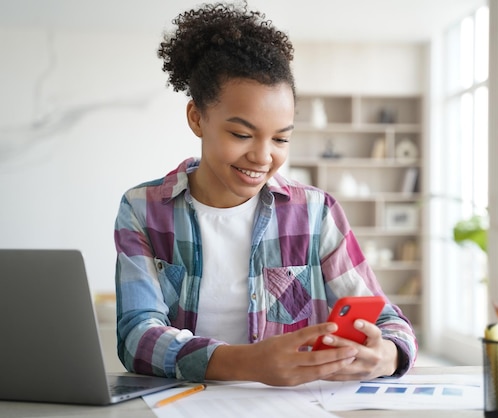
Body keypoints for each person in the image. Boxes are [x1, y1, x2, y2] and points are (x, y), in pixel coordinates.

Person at [114, 2, 417, 386]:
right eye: (241, 134)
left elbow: (391, 323)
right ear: (196, 118)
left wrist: (385, 355)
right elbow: (136, 337)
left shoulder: (316, 211)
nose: (262, 156)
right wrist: (244, 363)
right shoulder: (143, 210)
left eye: (281, 138)